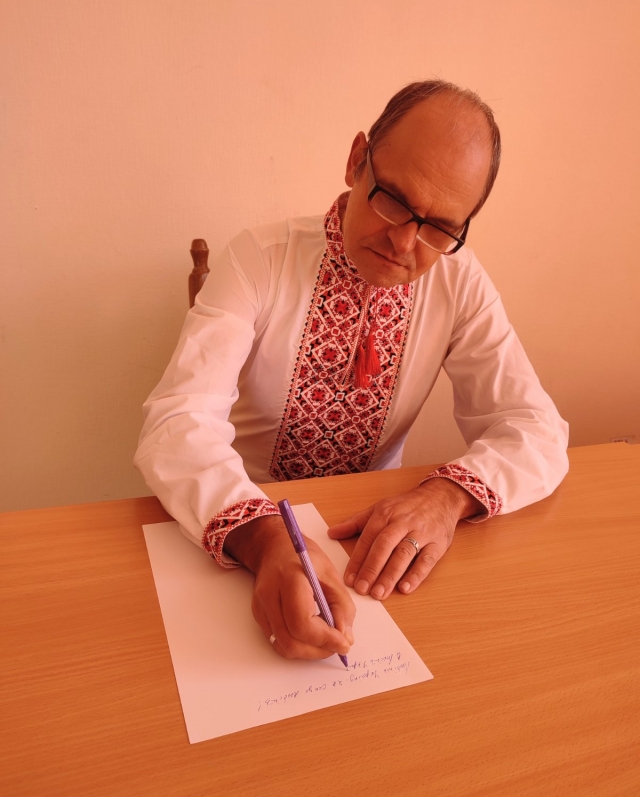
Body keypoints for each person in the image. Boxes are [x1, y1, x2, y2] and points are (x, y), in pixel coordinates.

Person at [135, 80, 568, 665]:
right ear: (356, 160)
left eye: (440, 228)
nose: (404, 242)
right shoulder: (260, 259)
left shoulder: (459, 281)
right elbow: (177, 422)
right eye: (393, 199)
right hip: (239, 525)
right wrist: (263, 539)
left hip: (375, 542)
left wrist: (445, 498)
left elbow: (535, 427)